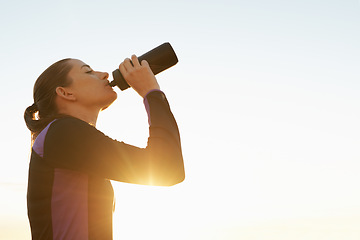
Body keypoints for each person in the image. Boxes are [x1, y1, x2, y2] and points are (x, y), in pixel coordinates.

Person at [24, 55, 185, 240]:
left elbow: (168, 169)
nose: (105, 74)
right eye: (88, 71)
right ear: (66, 93)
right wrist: (151, 91)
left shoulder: (65, 138)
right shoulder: (62, 132)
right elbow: (167, 167)